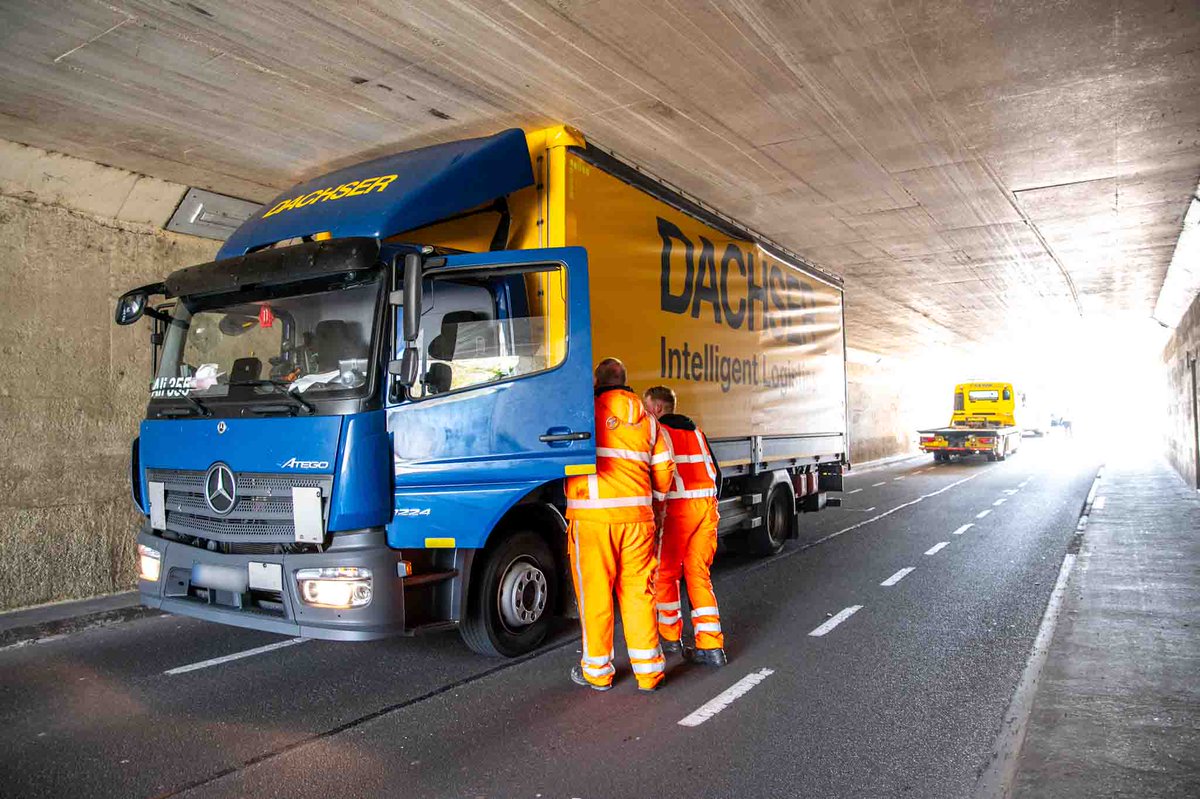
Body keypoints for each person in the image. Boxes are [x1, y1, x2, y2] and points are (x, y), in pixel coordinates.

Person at [564, 358, 676, 692]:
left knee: (596, 597)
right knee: (639, 595)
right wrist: (652, 504)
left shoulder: (585, 410)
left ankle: (598, 672)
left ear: (597, 381)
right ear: (626, 382)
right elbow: (665, 471)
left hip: (593, 520)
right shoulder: (649, 420)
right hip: (638, 522)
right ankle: (649, 673)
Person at [643, 385, 727, 667]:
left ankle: (670, 641)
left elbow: (658, 475)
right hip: (706, 510)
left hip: (677, 511)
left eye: (646, 407)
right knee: (698, 574)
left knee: (666, 575)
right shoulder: (697, 433)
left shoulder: (659, 433)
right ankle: (711, 647)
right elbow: (717, 474)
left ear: (657, 408)